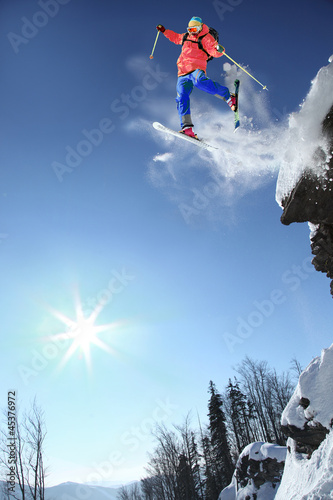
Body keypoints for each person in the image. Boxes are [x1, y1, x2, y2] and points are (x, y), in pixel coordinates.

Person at [156, 17, 236, 139]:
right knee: (181, 97)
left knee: (199, 82)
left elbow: (213, 50)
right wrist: (164, 31)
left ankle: (228, 96)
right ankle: (187, 128)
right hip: (182, 72)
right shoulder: (185, 36)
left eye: (194, 29)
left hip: (196, 68)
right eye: (190, 29)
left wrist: (219, 50)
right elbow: (175, 37)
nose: (192, 32)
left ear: (200, 27)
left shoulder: (206, 37)